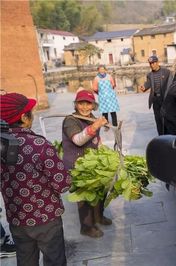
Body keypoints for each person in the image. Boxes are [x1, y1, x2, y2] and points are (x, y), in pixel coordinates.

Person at [0, 92, 71, 266]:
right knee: (55, 260)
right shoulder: (39, 145)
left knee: (25, 261)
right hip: (46, 219)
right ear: (24, 117)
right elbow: (62, 184)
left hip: (17, 218)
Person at [62, 89, 111, 238]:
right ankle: (87, 226)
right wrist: (95, 126)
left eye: (88, 104)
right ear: (76, 105)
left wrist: (104, 154)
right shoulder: (70, 120)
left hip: (92, 162)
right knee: (84, 195)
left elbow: (96, 140)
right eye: (81, 103)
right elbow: (78, 139)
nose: (84, 107)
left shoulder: (92, 118)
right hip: (77, 164)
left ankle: (99, 217)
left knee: (101, 189)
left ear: (93, 106)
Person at [139, 55, 171, 135]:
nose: (152, 65)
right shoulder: (150, 75)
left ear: (157, 62)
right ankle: (161, 137)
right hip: (155, 100)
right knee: (158, 121)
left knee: (166, 120)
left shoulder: (166, 72)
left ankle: (168, 137)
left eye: (153, 63)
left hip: (165, 100)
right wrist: (144, 87)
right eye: (150, 63)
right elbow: (148, 83)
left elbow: (171, 84)